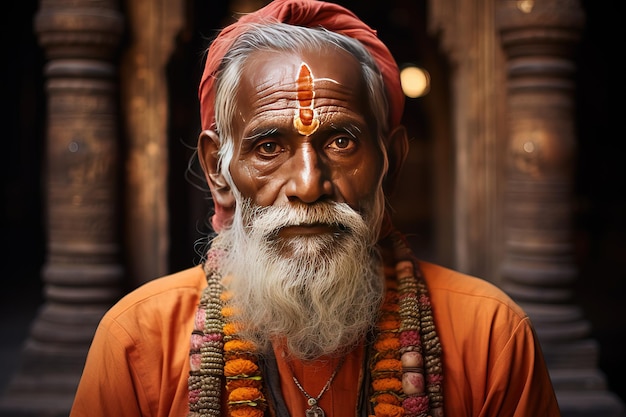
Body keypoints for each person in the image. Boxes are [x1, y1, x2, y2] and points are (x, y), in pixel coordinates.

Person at [69, 0, 561, 416]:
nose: (308, 185)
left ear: (391, 161)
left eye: (342, 141)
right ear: (218, 168)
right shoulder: (137, 342)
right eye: (268, 147)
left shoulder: (491, 338)